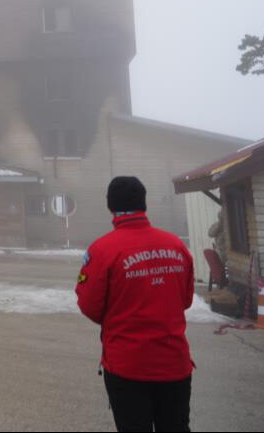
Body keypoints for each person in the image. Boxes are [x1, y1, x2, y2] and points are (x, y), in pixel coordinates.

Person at [76, 176, 195, 433]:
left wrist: (121, 314)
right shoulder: (176, 245)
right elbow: (185, 300)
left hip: (127, 367)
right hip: (175, 363)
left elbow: (89, 305)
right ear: (144, 204)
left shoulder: (102, 250)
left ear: (110, 207)